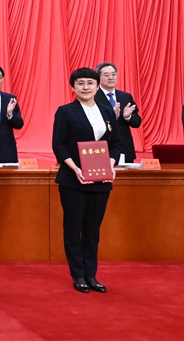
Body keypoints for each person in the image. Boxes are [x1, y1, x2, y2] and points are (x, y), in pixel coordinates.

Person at [53, 67, 121, 293]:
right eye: (80, 83)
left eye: (90, 83)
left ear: (97, 86)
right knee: (74, 229)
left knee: (92, 230)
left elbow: (116, 143)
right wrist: (75, 169)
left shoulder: (107, 111)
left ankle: (92, 275)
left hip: (101, 180)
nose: (85, 87)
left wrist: (111, 164)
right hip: (74, 180)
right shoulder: (65, 111)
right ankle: (78, 275)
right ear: (73, 87)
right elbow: (58, 145)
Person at [94, 62, 141, 163]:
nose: (111, 77)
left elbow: (137, 122)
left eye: (113, 74)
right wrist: (112, 117)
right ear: (98, 77)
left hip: (125, 148)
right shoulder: (93, 97)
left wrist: (128, 117)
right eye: (106, 75)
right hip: (102, 147)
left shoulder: (125, 96)